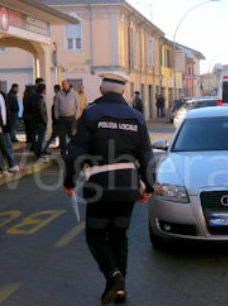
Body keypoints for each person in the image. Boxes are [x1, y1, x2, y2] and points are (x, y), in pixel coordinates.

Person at [63, 72, 155, 305]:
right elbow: (146, 155)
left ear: (102, 90)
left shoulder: (92, 114)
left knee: (95, 235)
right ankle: (119, 289)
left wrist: (69, 181)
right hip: (127, 186)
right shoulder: (137, 117)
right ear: (124, 92)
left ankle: (114, 278)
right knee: (119, 236)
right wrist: (149, 187)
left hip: (99, 185)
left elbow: (75, 151)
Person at [0, 77, 20, 173]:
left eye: (0, 83)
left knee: (8, 145)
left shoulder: (3, 95)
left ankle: (11, 164)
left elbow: (6, 110)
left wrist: (8, 123)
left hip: (5, 125)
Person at [54, 80, 79, 155]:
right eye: (63, 84)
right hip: (62, 118)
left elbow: (77, 106)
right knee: (62, 136)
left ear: (69, 85)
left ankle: (73, 151)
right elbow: (56, 106)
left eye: (65, 84)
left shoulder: (74, 94)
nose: (64, 85)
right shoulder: (59, 94)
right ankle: (63, 152)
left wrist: (76, 116)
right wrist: (56, 115)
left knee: (72, 135)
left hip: (71, 118)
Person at [24, 78, 44, 149]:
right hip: (31, 116)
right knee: (33, 133)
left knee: (32, 133)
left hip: (30, 115)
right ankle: (34, 147)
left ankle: (33, 146)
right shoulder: (33, 92)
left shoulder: (30, 91)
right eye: (42, 84)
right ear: (38, 84)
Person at [31, 84, 48, 160]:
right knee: (41, 139)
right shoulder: (40, 99)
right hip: (41, 122)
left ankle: (37, 152)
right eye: (45, 89)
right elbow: (42, 112)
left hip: (35, 121)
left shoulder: (34, 98)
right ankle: (39, 154)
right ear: (43, 90)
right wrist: (45, 121)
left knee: (37, 138)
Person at [42, 85, 61, 154]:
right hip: (58, 121)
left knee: (54, 136)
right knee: (61, 135)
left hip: (56, 121)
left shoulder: (56, 100)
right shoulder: (58, 100)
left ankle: (45, 148)